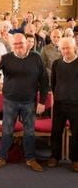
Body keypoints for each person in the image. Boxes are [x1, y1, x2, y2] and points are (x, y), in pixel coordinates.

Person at [0, 33, 49, 172]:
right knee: (7, 130)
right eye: (15, 44)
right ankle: (1, 157)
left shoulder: (36, 58)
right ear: (11, 45)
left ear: (27, 43)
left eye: (20, 43)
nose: (17, 47)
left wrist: (43, 101)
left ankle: (30, 158)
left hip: (29, 101)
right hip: (10, 101)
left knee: (29, 131)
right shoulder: (6, 58)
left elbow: (44, 80)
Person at [48, 37, 78, 172]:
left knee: (77, 133)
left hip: (76, 104)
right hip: (59, 103)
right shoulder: (56, 63)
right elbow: (53, 83)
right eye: (63, 48)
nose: (65, 51)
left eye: (68, 48)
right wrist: (57, 95)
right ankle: (55, 156)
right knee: (56, 131)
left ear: (74, 48)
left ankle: (76, 160)